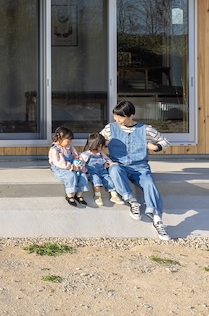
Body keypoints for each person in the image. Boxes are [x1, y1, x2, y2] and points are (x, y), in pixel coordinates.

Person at [100, 100, 171, 241]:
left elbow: (165, 141)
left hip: (140, 167)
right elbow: (96, 142)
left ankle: (157, 219)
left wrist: (156, 147)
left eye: (120, 117)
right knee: (114, 170)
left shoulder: (145, 129)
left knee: (149, 183)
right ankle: (132, 201)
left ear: (130, 116)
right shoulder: (110, 128)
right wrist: (104, 151)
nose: (117, 120)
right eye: (115, 116)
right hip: (119, 164)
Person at [48, 126, 89, 207]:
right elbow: (59, 162)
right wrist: (71, 167)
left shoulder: (70, 147)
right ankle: (70, 194)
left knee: (82, 175)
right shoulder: (55, 149)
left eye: (70, 141)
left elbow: (75, 155)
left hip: (72, 165)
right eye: (68, 141)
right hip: (60, 168)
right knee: (71, 176)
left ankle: (79, 194)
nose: (69, 143)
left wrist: (78, 162)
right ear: (59, 139)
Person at [79, 132, 122, 206]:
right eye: (102, 145)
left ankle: (114, 195)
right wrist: (83, 170)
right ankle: (97, 196)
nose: (104, 147)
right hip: (92, 172)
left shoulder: (101, 154)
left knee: (109, 180)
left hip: (102, 171)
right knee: (96, 181)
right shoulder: (86, 154)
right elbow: (81, 163)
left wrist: (110, 163)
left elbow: (107, 159)